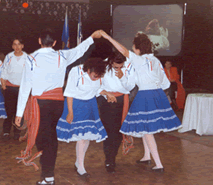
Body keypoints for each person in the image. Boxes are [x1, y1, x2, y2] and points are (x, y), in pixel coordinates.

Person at [14, 29, 102, 185]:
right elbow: (79, 50)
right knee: (48, 137)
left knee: (45, 139)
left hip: (41, 104)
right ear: (54, 43)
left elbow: (25, 86)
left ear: (39, 41)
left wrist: (19, 112)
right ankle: (47, 174)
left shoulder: (31, 59)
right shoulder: (62, 55)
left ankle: (48, 177)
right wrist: (91, 38)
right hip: (57, 104)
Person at [101, 31, 182, 172]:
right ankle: (146, 156)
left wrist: (107, 37)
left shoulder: (139, 60)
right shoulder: (155, 60)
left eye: (133, 46)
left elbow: (123, 50)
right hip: (157, 94)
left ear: (138, 48)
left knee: (148, 130)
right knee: (145, 127)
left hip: (146, 95)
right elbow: (165, 84)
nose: (132, 48)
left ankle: (159, 164)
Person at [56, 58, 108, 178]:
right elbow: (69, 92)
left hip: (90, 105)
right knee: (82, 137)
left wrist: (107, 93)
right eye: (94, 76)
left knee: (88, 135)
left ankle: (78, 162)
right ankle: (81, 167)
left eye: (98, 77)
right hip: (76, 104)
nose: (96, 78)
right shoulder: (76, 71)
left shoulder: (99, 74)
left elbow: (97, 89)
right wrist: (70, 112)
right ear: (88, 70)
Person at [96, 50, 136, 173]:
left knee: (119, 131)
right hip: (106, 100)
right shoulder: (102, 65)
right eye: (115, 66)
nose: (118, 68)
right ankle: (109, 160)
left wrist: (123, 77)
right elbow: (96, 85)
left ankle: (112, 158)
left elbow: (130, 87)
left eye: (121, 66)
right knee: (109, 131)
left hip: (122, 100)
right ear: (110, 61)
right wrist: (106, 94)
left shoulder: (129, 65)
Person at [0, 38, 28, 140]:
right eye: (15, 44)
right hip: (10, 88)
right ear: (12, 46)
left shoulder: (27, 58)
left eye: (19, 44)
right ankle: (6, 131)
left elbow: (30, 74)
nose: (17, 47)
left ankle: (17, 131)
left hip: (22, 89)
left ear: (22, 46)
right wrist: (4, 85)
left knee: (19, 111)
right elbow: (4, 71)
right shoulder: (9, 56)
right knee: (9, 111)